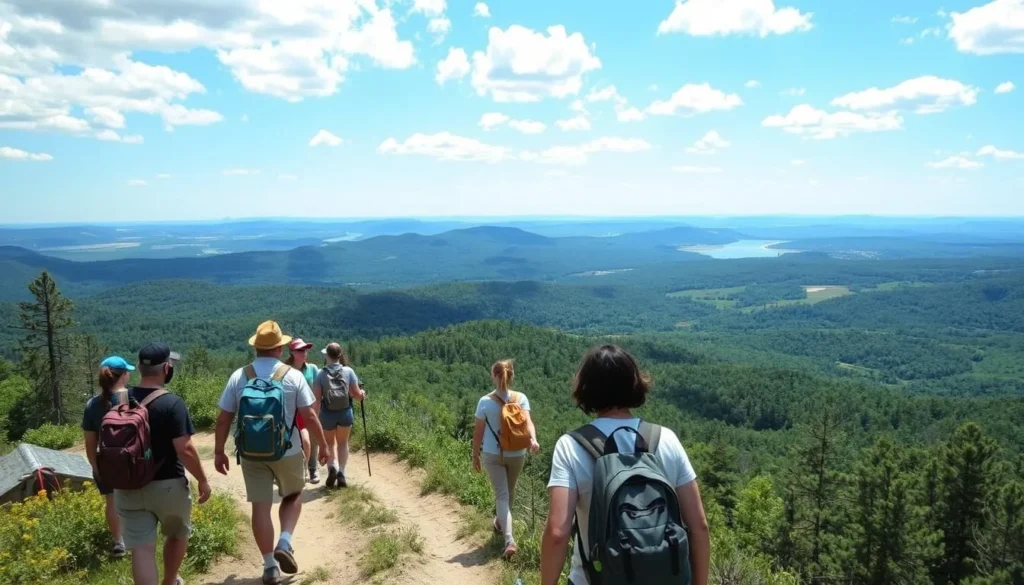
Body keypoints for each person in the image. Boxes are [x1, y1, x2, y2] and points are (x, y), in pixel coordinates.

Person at [540, 345, 710, 585]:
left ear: (586, 387)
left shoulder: (571, 446)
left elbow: (558, 533)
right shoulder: (666, 439)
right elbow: (699, 526)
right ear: (634, 384)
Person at [214, 321, 329, 585]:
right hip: (287, 451)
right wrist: (323, 445)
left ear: (256, 348)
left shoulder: (239, 376)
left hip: (252, 453)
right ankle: (285, 541)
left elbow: (223, 419)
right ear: (280, 348)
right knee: (293, 495)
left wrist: (219, 451)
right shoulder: (293, 375)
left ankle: (269, 566)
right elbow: (309, 416)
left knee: (260, 507)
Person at [116, 343, 212, 585]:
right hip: (168, 485)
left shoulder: (119, 400)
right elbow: (185, 450)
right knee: (178, 535)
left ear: (138, 368)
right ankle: (170, 581)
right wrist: (202, 479)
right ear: (166, 368)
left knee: (142, 550)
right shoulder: (172, 403)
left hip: (127, 485)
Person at [472, 359, 540, 559]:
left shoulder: (485, 402)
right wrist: (533, 440)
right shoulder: (521, 398)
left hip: (493, 455)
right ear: (511, 377)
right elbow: (528, 423)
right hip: (517, 453)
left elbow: (478, 433)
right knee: (509, 492)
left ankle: (509, 540)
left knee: (502, 495)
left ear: (494, 376)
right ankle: (500, 523)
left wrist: (475, 455)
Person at [81, 355, 133, 559]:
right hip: (132, 459)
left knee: (111, 502)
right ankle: (136, 537)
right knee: (136, 500)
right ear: (123, 376)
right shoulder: (133, 398)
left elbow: (89, 441)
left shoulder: (92, 404)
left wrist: (94, 465)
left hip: (106, 460)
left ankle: (118, 542)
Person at [312, 342, 365, 488]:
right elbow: (356, 395)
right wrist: (363, 395)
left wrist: (314, 417)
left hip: (327, 414)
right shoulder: (348, 371)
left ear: (327, 355)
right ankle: (341, 472)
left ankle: (332, 468)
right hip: (345, 413)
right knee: (343, 443)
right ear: (340, 355)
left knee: (329, 443)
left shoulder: (320, 374)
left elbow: (316, 399)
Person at [285, 338, 320, 484]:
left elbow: (318, 392)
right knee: (294, 441)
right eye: (300, 350)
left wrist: (316, 412)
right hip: (290, 413)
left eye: (305, 349)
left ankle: (312, 469)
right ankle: (296, 469)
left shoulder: (312, 369)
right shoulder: (285, 369)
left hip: (309, 411)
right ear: (292, 352)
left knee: (311, 440)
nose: (304, 352)